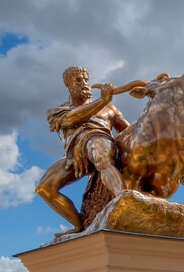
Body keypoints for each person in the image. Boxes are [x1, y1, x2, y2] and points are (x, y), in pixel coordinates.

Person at [36, 66, 129, 232]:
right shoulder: (57, 111)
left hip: (99, 141)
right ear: (68, 84)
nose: (85, 84)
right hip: (75, 155)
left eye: (86, 79)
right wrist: (102, 101)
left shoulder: (110, 109)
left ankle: (125, 201)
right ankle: (80, 226)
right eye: (79, 80)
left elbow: (128, 132)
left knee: (100, 155)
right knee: (44, 188)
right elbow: (71, 119)